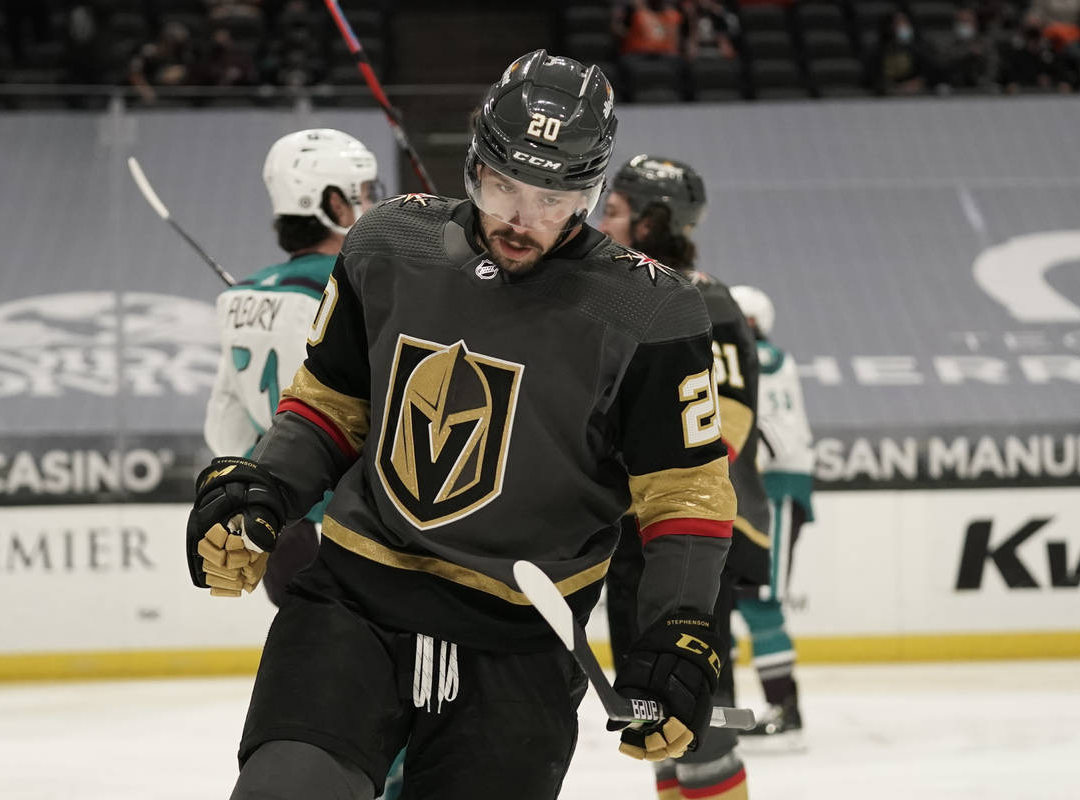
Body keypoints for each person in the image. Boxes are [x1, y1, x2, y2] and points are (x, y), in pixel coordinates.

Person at [186, 50, 737, 800]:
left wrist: (678, 628)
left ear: (589, 191)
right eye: (503, 185)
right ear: (474, 163)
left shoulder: (651, 311)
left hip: (521, 646)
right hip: (352, 603)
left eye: (551, 198)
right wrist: (268, 485)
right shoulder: (388, 244)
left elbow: (684, 495)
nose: (520, 218)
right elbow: (330, 405)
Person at [600, 155, 767, 800]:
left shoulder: (703, 300)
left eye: (614, 213)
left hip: (693, 540)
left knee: (700, 726)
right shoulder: (622, 296)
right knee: (657, 723)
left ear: (652, 223)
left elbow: (725, 429)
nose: (600, 224)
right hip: (636, 540)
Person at [203, 127, 380, 607]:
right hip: (359, 525)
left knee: (307, 644)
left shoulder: (238, 298)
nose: (373, 202)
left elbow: (224, 427)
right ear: (335, 203)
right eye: (365, 191)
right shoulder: (366, 285)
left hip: (280, 524)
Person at [730, 285, 816, 750]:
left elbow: (770, 437)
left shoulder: (760, 358)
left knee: (760, 601)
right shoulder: (749, 357)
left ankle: (785, 710)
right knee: (726, 601)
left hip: (772, 491)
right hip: (752, 492)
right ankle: (728, 706)